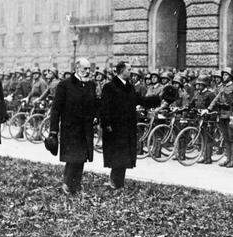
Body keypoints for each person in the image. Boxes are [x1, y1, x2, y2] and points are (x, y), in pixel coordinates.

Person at [100, 61, 160, 189]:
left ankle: (118, 183)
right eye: (129, 69)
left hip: (127, 127)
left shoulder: (130, 87)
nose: (130, 71)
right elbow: (104, 108)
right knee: (117, 156)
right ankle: (114, 182)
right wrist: (107, 124)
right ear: (121, 70)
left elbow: (140, 100)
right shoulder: (109, 87)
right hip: (115, 128)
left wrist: (157, 99)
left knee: (124, 156)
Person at [48, 58, 97, 195]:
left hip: (85, 129)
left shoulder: (91, 85)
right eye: (84, 69)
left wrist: (96, 117)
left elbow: (94, 104)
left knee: (82, 157)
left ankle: (76, 185)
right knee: (72, 157)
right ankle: (67, 184)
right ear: (77, 68)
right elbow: (56, 108)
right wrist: (53, 130)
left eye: (89, 69)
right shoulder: (65, 84)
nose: (87, 72)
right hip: (70, 128)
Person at [205, 68, 233, 167]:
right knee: (226, 138)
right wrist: (209, 108)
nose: (224, 77)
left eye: (226, 75)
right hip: (222, 115)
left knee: (232, 138)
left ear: (231, 76)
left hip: (231, 115)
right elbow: (216, 98)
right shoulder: (223, 87)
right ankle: (228, 159)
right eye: (223, 75)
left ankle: (232, 161)